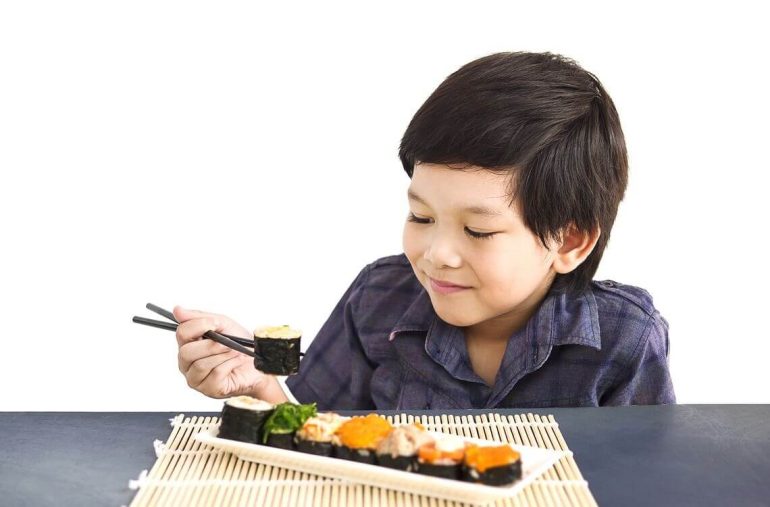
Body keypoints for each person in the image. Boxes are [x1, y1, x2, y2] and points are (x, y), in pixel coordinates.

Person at [173, 51, 675, 410]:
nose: (437, 254)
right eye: (421, 218)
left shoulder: (622, 338)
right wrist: (258, 382)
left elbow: (646, 479)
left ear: (568, 241)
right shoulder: (380, 298)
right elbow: (318, 436)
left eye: (478, 230)